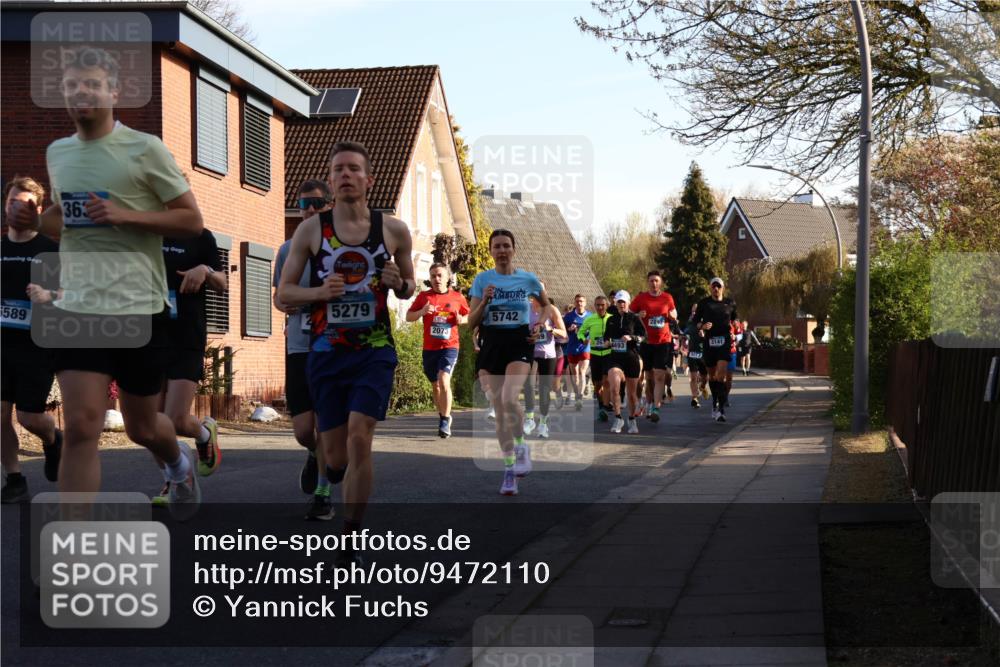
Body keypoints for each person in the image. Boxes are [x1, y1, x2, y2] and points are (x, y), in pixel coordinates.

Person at [9, 47, 204, 513]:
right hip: (79, 306)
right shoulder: (59, 153)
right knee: (80, 426)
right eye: (73, 85)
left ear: (114, 91)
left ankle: (178, 466)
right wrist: (37, 220)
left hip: (138, 306)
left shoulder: (145, 148)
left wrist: (125, 215)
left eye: (92, 84)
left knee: (141, 426)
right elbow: (65, 223)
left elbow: (191, 221)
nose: (82, 92)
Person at [278, 141, 415, 564]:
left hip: (373, 351)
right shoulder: (312, 230)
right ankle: (329, 472)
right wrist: (319, 291)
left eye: (354, 168)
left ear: (369, 179)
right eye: (338, 169)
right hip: (325, 351)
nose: (345, 175)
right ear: (332, 180)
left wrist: (399, 283)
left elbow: (410, 286)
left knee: (360, 437)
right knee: (335, 455)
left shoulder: (393, 230)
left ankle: (351, 535)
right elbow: (284, 294)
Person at [273, 179, 344, 520]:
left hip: (333, 344)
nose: (310, 210)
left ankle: (323, 494)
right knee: (304, 430)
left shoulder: (343, 248)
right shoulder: (287, 250)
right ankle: (314, 454)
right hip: (299, 345)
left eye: (317, 204)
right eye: (304, 204)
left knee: (327, 421)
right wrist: (283, 304)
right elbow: (278, 295)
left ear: (331, 206)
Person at [149, 227, 226, 505]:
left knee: (174, 420)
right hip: (147, 338)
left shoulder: (199, 236)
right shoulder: (142, 232)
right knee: (149, 426)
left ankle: (205, 434)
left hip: (185, 338)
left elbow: (222, 282)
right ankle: (173, 480)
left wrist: (205, 270)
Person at [468, 229, 548, 496]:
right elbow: (470, 323)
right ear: (490, 251)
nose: (501, 250)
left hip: (518, 343)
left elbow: (546, 306)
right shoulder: (482, 280)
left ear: (514, 249)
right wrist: (485, 302)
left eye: (506, 245)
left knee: (510, 398)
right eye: (496, 246)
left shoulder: (527, 279)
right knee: (500, 409)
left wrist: (540, 324)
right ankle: (509, 470)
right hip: (491, 345)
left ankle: (522, 445)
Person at [1, 177, 62, 503]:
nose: (15, 209)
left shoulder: (49, 250)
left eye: (24, 204)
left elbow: (72, 295)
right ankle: (15, 479)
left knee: (28, 416)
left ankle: (53, 440)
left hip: (37, 346)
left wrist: (48, 294)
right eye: (11, 201)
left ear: (37, 210)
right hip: (1, 345)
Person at [406, 262, 469, 438]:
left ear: (448, 277)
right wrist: (422, 312)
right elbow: (409, 316)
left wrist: (460, 320)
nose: (436, 279)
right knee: (436, 387)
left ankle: (445, 419)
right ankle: (443, 416)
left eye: (440, 275)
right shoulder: (424, 297)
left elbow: (469, 316)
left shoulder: (457, 297)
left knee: (443, 380)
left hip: (449, 347)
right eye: (433, 276)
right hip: (429, 348)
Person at [630, 270, 678, 423]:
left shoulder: (667, 298)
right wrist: (639, 316)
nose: (654, 283)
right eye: (651, 280)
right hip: (646, 342)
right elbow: (629, 315)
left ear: (660, 282)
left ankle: (656, 407)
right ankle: (649, 402)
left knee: (659, 376)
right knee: (649, 377)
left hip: (663, 341)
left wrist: (672, 316)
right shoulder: (641, 298)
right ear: (648, 282)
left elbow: (675, 313)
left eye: (656, 280)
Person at [691, 277, 738, 422]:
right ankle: (714, 402)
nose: (716, 289)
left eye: (718, 286)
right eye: (713, 286)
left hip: (724, 340)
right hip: (709, 342)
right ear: (710, 288)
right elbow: (695, 322)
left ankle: (721, 410)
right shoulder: (704, 303)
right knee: (712, 376)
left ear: (723, 288)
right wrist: (702, 327)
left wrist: (736, 324)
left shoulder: (730, 303)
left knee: (721, 376)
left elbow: (735, 318)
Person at [522, 294, 567, 439]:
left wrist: (550, 329)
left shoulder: (552, 310)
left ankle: (543, 423)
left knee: (544, 390)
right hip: (529, 352)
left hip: (547, 354)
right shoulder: (525, 307)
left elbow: (564, 334)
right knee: (528, 384)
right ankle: (529, 419)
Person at [604, 291, 646, 434]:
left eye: (623, 302)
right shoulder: (611, 319)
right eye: (619, 302)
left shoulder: (634, 318)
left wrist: (632, 337)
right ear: (615, 303)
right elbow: (606, 337)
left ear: (628, 303)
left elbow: (643, 336)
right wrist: (606, 342)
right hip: (615, 357)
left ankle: (632, 419)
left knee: (631, 394)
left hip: (631, 357)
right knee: (614, 386)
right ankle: (617, 418)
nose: (621, 304)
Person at [577, 296, 613, 421]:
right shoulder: (590, 319)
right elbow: (580, 332)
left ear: (606, 305)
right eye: (597, 305)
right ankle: (601, 404)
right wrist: (584, 339)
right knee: (597, 384)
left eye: (602, 305)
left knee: (606, 381)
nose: (600, 307)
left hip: (608, 354)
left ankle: (605, 406)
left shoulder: (611, 319)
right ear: (594, 305)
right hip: (595, 355)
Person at [562, 294, 591, 411]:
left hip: (584, 347)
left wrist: (588, 335)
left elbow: (595, 329)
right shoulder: (568, 317)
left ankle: (579, 398)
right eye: (577, 301)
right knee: (575, 374)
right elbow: (562, 331)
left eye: (582, 301)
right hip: (572, 347)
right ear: (574, 303)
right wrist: (569, 330)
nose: (580, 303)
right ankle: (576, 393)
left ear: (585, 303)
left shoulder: (590, 316)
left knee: (582, 371)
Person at [683, 305, 710, 408]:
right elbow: (686, 332)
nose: (694, 314)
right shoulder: (690, 323)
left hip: (703, 355)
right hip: (693, 354)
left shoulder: (707, 323)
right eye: (693, 312)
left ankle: (702, 387)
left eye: (696, 312)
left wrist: (704, 336)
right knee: (693, 377)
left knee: (705, 377)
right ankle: (694, 398)